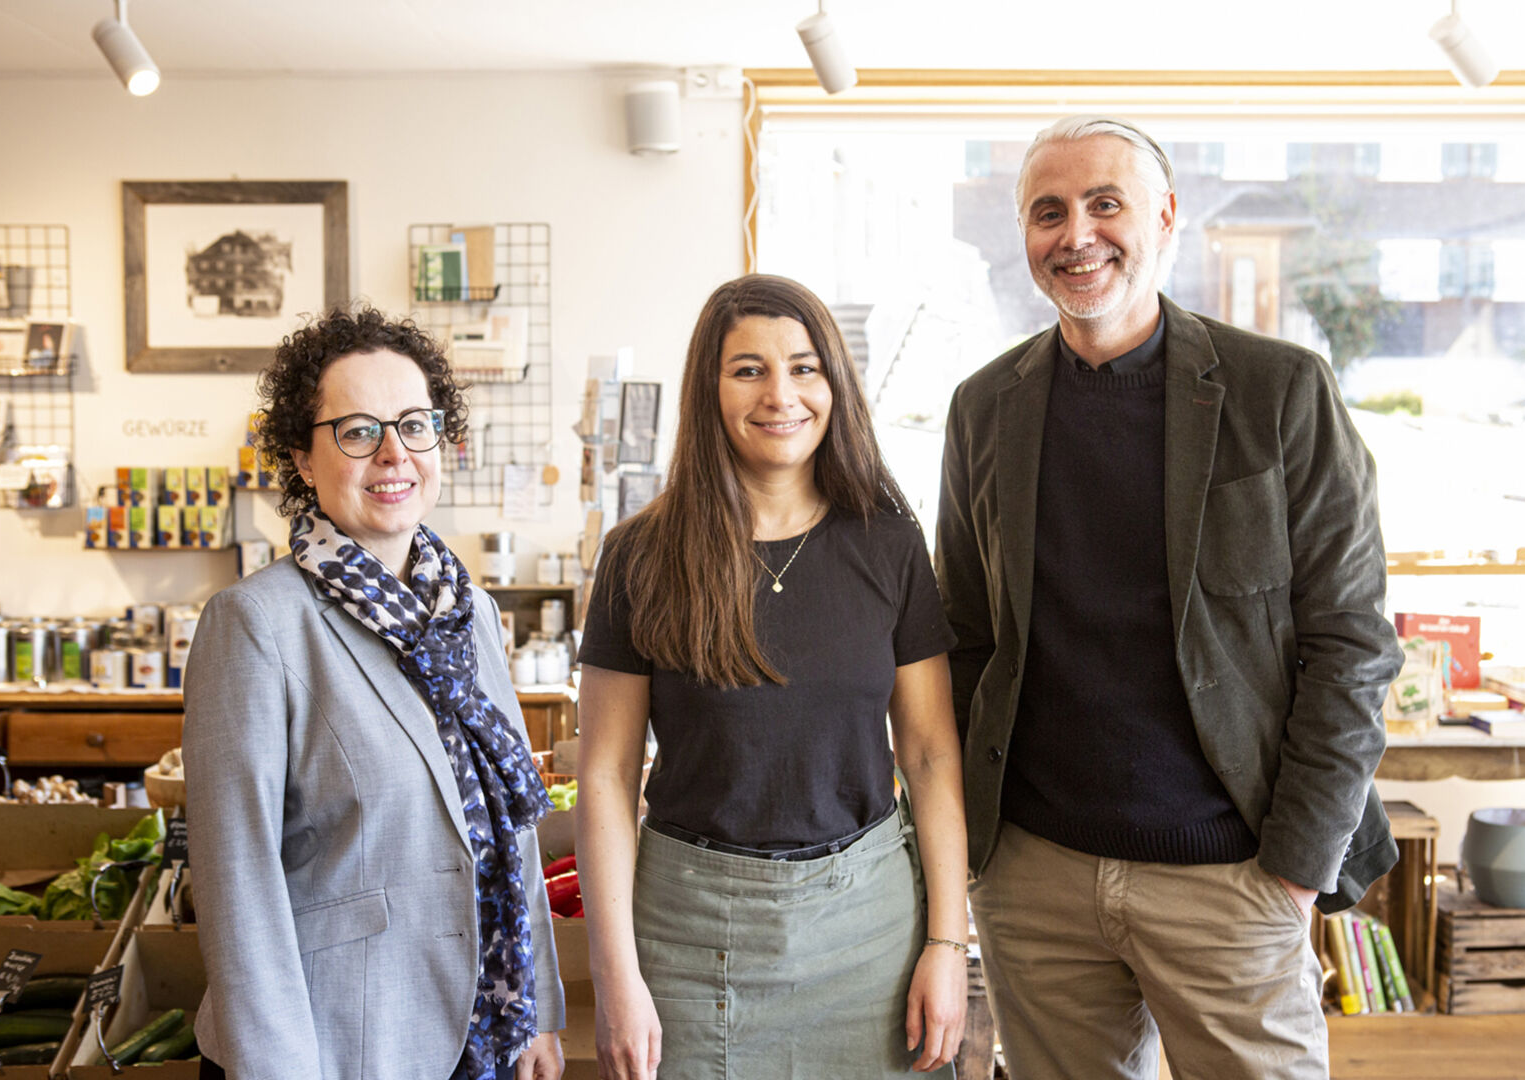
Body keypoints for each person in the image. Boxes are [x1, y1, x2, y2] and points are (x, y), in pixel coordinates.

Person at [934, 116, 1405, 1080]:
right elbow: (967, 638)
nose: (1076, 235)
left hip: (1232, 873)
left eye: (1105, 204)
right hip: (1036, 877)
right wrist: (981, 858)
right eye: (1048, 212)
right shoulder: (983, 407)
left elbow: (1351, 644)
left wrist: (1294, 869)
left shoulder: (1280, 389)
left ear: (1164, 217)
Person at [576, 274, 968, 1080]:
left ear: (833, 384)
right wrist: (616, 977)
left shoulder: (890, 546)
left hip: (870, 934)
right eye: (747, 369)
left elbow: (929, 757)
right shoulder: (639, 555)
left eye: (803, 367)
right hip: (689, 937)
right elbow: (606, 776)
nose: (780, 395)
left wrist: (946, 942)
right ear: (709, 389)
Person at [183, 307, 565, 1080]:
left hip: (483, 1030)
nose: (394, 454)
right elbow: (237, 881)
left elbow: (510, 833)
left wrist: (534, 1012)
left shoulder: (470, 613)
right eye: (358, 431)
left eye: (414, 425)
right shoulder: (256, 623)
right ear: (302, 456)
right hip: (341, 1042)